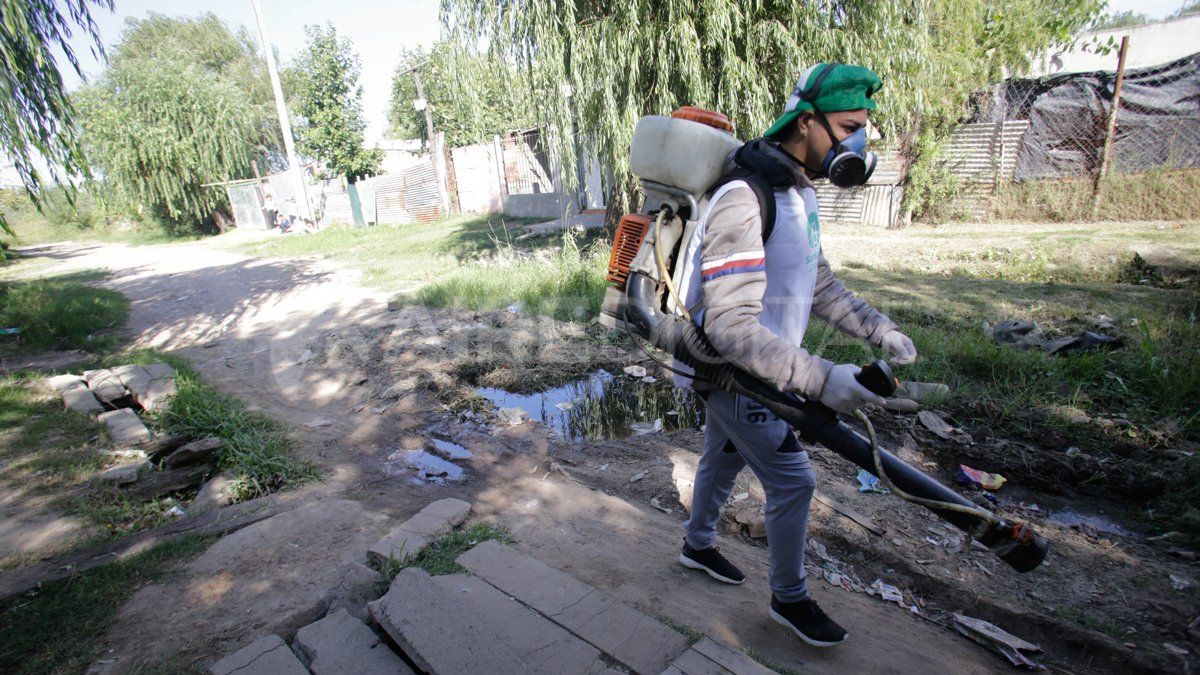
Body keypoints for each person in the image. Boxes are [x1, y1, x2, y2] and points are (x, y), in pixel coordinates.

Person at [676, 63, 918, 648]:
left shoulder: (799, 191)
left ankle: (697, 545)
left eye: (863, 128)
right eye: (847, 126)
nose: (857, 142)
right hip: (733, 371)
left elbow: (817, 281)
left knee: (724, 454)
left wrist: (875, 327)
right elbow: (731, 327)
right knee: (794, 481)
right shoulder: (744, 196)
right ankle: (790, 599)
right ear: (805, 122)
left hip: (762, 362)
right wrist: (819, 378)